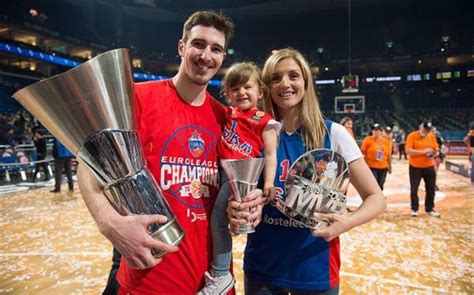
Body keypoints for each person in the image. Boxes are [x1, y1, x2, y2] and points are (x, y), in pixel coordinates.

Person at [77, 10, 264, 294]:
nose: (206, 56)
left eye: (216, 49)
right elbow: (88, 165)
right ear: (181, 47)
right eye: (198, 44)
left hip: (212, 281)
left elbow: (237, 185)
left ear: (223, 57)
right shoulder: (137, 98)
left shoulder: (227, 119)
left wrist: (249, 203)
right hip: (150, 278)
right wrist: (109, 223)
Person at [227, 48, 386, 294]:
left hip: (315, 269)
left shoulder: (334, 134)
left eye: (293, 75)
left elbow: (376, 198)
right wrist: (237, 211)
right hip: (263, 268)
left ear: (306, 82)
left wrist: (344, 223)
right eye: (276, 78)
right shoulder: (250, 134)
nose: (285, 84)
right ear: (266, 87)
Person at [199, 62, 280, 294]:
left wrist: (268, 183)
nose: (241, 92)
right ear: (228, 94)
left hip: (242, 176)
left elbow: (271, 153)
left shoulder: (264, 120)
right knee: (224, 222)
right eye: (235, 89)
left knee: (218, 222)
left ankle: (221, 273)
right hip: (222, 173)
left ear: (260, 92)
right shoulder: (228, 114)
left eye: (247, 87)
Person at [405, 122, 440, 217]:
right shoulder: (412, 136)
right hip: (415, 167)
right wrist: (423, 152)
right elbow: (408, 151)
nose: (425, 131)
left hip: (429, 166)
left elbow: (436, 150)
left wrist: (434, 153)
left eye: (427, 130)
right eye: (424, 129)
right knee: (414, 189)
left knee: (431, 189)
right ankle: (414, 208)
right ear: (420, 127)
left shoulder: (431, 136)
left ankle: (429, 209)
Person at [360, 123, 392, 190]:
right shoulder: (367, 140)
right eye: (374, 130)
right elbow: (361, 153)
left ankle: (379, 197)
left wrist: (390, 166)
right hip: (371, 166)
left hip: (383, 167)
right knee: (373, 184)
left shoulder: (386, 141)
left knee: (380, 184)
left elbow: (388, 155)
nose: (375, 132)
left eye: (377, 130)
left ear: (381, 132)